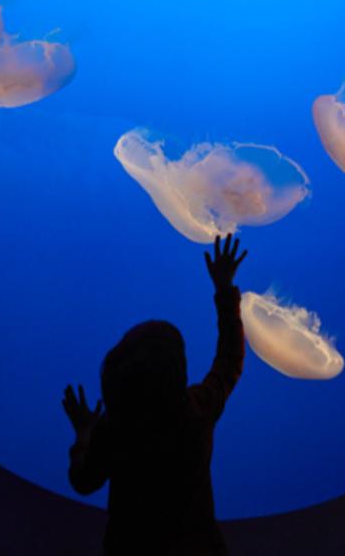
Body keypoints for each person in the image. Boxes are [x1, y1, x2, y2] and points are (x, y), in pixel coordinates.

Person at [62, 233, 248, 556]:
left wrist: (85, 434)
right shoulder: (196, 412)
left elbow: (83, 480)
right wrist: (224, 290)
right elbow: (230, 360)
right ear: (179, 372)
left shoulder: (115, 429)